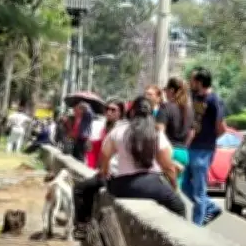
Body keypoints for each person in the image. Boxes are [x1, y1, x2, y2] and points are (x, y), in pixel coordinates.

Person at [98, 96, 186, 217]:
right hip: (149, 184)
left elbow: (104, 154)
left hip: (120, 186)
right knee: (179, 207)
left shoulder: (118, 131)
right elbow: (168, 167)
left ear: (132, 112)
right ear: (151, 113)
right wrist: (174, 187)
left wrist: (105, 171)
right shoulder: (156, 134)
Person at [73, 100, 126, 238]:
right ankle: (86, 224)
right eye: (107, 109)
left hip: (113, 173)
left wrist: (105, 169)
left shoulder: (119, 129)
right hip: (106, 170)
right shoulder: (107, 127)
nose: (109, 112)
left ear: (120, 113)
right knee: (87, 189)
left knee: (79, 188)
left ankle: (82, 226)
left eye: (113, 110)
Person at [184, 67, 226, 226]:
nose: (190, 82)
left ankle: (197, 225)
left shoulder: (214, 100)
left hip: (203, 150)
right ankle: (210, 207)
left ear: (200, 82)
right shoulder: (193, 97)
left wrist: (209, 139)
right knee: (184, 184)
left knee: (199, 190)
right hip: (190, 147)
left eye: (193, 80)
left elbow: (221, 128)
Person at [158, 76, 193, 187]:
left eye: (166, 90)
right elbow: (192, 133)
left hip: (168, 153)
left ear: (172, 90)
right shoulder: (190, 110)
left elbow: (160, 133)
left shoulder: (165, 108)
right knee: (177, 188)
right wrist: (184, 146)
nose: (165, 93)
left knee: (165, 190)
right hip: (183, 153)